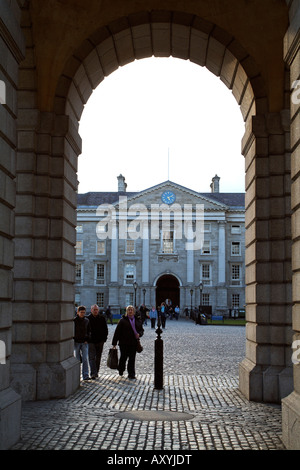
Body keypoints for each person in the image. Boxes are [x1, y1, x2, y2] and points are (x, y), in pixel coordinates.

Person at [112, 305, 144, 379]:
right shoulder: (122, 321)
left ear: (134, 311)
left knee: (132, 359)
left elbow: (141, 330)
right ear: (126, 312)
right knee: (123, 357)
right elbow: (117, 332)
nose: (130, 311)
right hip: (124, 343)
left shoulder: (137, 320)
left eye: (131, 310)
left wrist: (139, 334)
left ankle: (131, 373)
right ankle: (121, 369)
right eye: (129, 310)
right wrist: (114, 343)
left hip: (133, 342)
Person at [87, 304, 108, 379]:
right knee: (91, 357)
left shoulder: (102, 318)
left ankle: (96, 371)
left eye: (96, 310)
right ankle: (93, 373)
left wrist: (104, 338)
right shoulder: (88, 318)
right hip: (91, 341)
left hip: (100, 341)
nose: (95, 311)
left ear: (98, 310)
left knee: (98, 357)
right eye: (94, 310)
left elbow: (105, 329)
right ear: (91, 310)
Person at [74, 305, 91, 381]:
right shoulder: (74, 321)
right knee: (77, 360)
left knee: (85, 359)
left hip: (84, 342)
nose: (83, 314)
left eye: (84, 312)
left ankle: (85, 375)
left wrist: (87, 339)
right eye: (81, 312)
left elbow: (89, 331)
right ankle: (76, 376)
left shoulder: (87, 321)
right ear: (78, 312)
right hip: (76, 342)